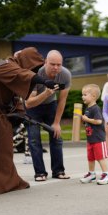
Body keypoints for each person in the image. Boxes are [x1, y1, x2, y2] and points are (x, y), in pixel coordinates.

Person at [0, 47, 56, 194]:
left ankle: (8, 181)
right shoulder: (6, 66)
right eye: (34, 67)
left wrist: (21, 115)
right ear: (27, 62)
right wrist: (46, 82)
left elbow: (14, 95)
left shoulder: (11, 68)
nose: (34, 71)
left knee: (4, 145)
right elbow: (24, 76)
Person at [25, 50, 71, 181]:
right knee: (34, 141)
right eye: (52, 64)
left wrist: (56, 123)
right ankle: (40, 173)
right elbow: (29, 103)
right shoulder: (35, 74)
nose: (56, 68)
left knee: (56, 137)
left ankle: (58, 171)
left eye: (59, 64)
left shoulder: (65, 75)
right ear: (45, 62)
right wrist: (45, 93)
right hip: (33, 108)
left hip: (51, 106)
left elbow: (62, 100)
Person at [80, 84, 108, 185]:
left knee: (100, 157)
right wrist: (83, 121)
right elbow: (88, 122)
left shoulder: (95, 108)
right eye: (82, 95)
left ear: (93, 96)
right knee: (90, 158)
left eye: (85, 94)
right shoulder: (87, 108)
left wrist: (87, 119)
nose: (83, 97)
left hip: (98, 138)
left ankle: (106, 174)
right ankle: (91, 174)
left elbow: (98, 121)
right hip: (90, 139)